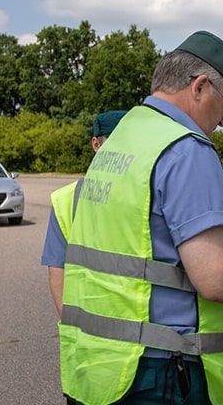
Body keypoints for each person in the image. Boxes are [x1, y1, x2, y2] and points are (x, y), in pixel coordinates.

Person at [57, 31, 223, 405]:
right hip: (156, 376)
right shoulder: (184, 149)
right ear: (200, 86)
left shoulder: (122, 140)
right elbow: (217, 279)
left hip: (96, 371)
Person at [42, 109, 127, 315]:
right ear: (96, 145)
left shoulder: (148, 192)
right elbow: (57, 271)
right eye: (117, 141)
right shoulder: (66, 200)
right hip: (87, 332)